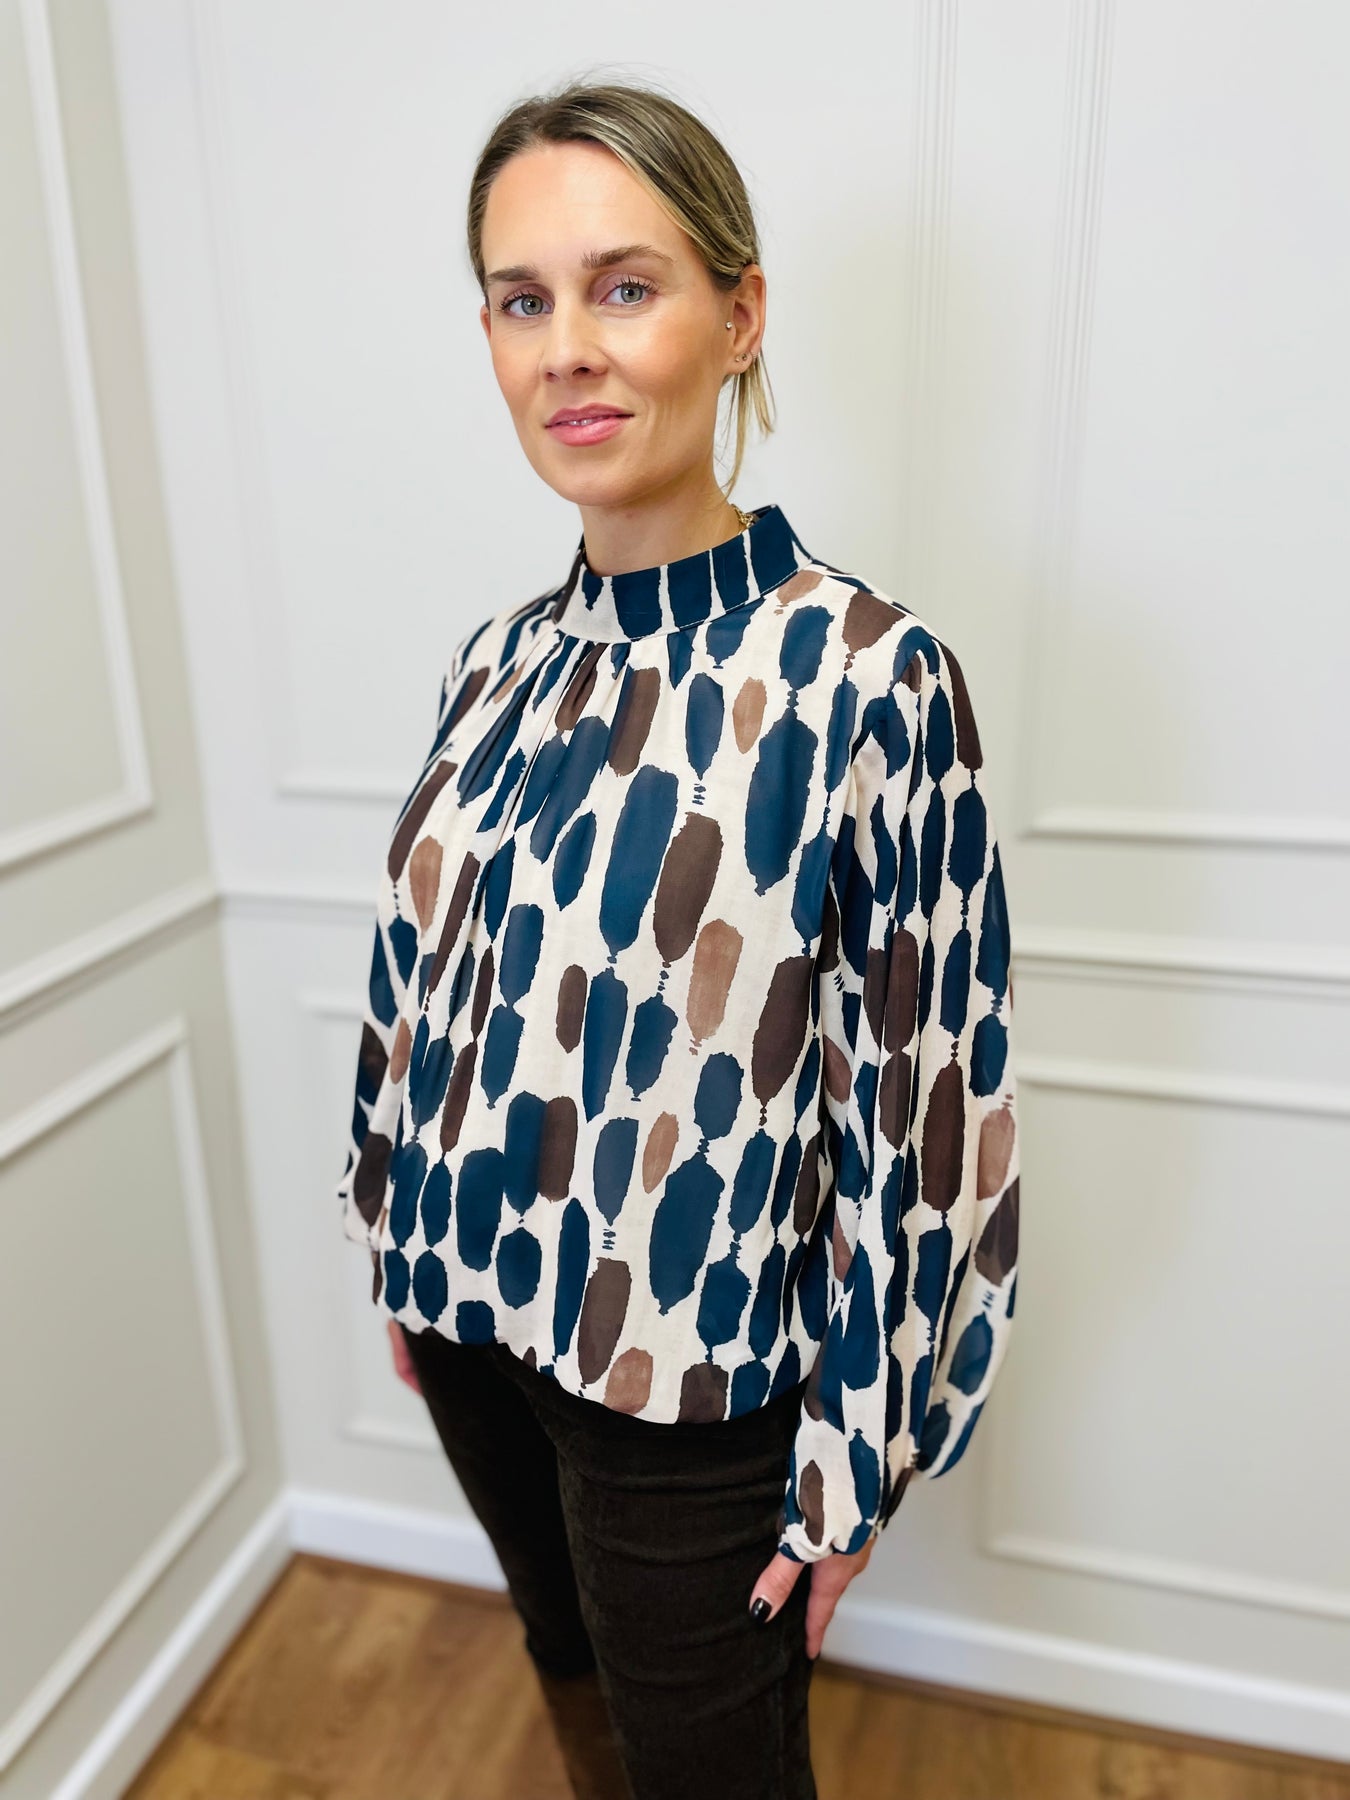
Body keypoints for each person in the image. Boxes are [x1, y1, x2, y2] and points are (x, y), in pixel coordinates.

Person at [335, 75, 1021, 1800]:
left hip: (684, 1378)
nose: (568, 348)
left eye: (623, 287)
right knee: (566, 1670)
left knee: (708, 1768)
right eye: (522, 300)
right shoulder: (493, 660)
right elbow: (430, 979)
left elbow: (923, 1103)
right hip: (466, 1313)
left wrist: (855, 1453)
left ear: (739, 317)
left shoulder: (866, 677)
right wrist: (393, 1222)